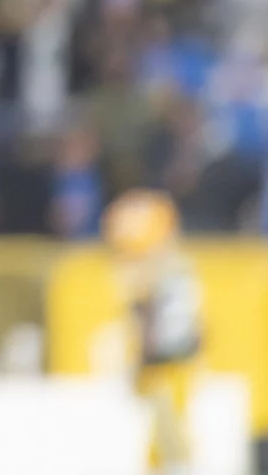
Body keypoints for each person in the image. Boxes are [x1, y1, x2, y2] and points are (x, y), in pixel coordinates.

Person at [102, 189, 203, 475]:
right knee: (168, 442)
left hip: (163, 362)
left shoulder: (148, 270)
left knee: (167, 443)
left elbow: (145, 318)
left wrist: (139, 361)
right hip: (181, 359)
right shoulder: (178, 264)